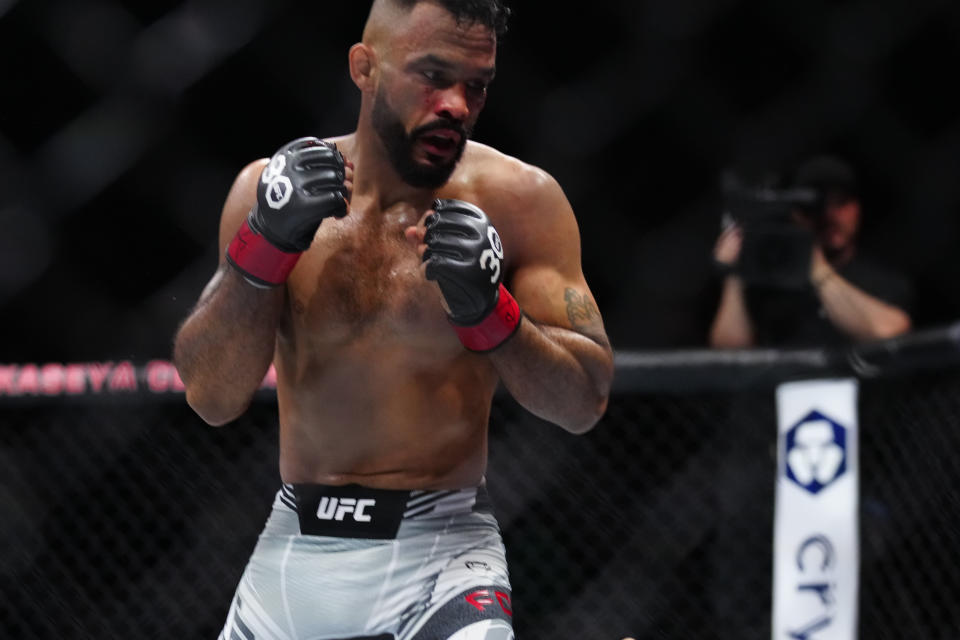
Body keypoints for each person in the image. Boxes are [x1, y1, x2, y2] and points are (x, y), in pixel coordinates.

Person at [172, 1, 614, 638]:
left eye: (477, 86)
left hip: (444, 553)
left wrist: (491, 313)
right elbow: (211, 396)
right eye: (434, 76)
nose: (457, 105)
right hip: (297, 543)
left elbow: (584, 402)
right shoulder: (265, 191)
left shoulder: (521, 203)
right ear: (365, 66)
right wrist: (262, 248)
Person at [709, 154, 913, 348]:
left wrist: (816, 266)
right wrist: (735, 273)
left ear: (858, 208)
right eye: (814, 209)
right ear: (796, 215)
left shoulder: (883, 280)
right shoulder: (771, 279)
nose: (830, 216)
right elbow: (730, 350)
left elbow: (888, 332)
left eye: (840, 203)